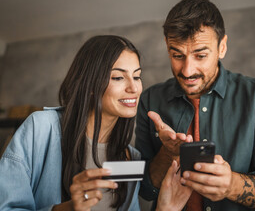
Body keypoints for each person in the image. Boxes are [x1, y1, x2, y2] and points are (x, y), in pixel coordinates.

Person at [0, 35, 191, 211]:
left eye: (137, 76)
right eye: (118, 77)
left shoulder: (129, 157)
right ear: (90, 84)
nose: (133, 88)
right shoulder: (41, 128)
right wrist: (68, 208)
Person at [135, 0, 255, 210]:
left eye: (200, 55)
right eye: (177, 55)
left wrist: (231, 186)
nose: (187, 70)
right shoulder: (150, 100)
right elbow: (144, 189)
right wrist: (168, 154)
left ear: (222, 47)